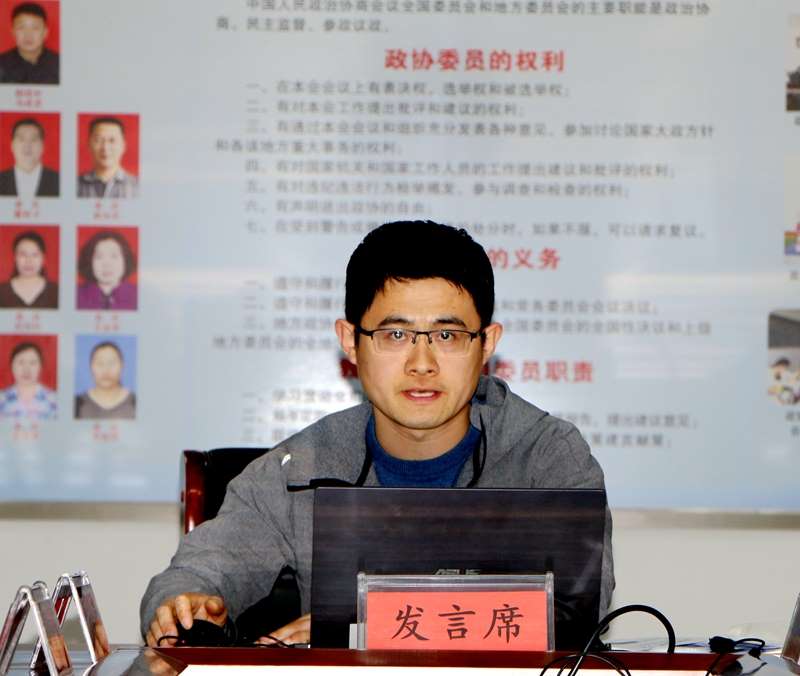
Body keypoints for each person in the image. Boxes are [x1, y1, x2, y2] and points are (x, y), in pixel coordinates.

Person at [140, 220, 614, 647]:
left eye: (447, 336)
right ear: (350, 341)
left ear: (486, 343)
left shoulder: (546, 456)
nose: (422, 364)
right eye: (395, 335)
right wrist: (182, 608)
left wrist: (371, 626)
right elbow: (189, 579)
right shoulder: (298, 470)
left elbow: (580, 610)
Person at [77, 117, 138, 199]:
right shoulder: (76, 184)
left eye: (112, 140)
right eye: (98, 140)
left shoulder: (137, 185)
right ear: (89, 144)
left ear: (123, 145)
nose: (105, 148)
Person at [76, 231, 137, 310]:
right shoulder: (76, 294)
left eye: (114, 256)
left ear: (126, 260)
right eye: (99, 257)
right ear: (89, 261)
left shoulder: (138, 295)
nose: (107, 264)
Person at [74, 340, 135, 419]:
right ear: (91, 367)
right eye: (100, 363)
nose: (106, 370)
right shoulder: (77, 404)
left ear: (122, 366)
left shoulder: (135, 402)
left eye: (112, 363)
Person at [0, 3, 58, 84]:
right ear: (13, 32)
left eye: (35, 28)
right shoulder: (2, 63)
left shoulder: (59, 63)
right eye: (21, 27)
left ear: (45, 33)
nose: (28, 35)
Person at [0, 118, 59, 198]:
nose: (27, 145)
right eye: (21, 139)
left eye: (33, 139)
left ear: (42, 146)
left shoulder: (58, 181)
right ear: (12, 145)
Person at [0, 230, 58, 308]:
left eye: (35, 255)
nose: (29, 261)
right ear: (15, 258)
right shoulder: (2, 291)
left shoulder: (56, 291)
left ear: (43, 259)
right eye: (23, 255)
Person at [0, 341, 56, 420]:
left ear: (40, 367)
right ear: (12, 366)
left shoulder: (54, 399)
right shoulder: (2, 399)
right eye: (21, 362)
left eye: (32, 363)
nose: (26, 369)